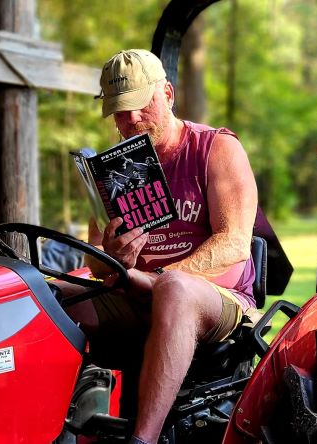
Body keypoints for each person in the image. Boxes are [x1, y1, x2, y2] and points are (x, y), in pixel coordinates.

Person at [65, 49, 257, 444]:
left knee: (173, 289)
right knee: (45, 293)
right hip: (134, 290)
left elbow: (235, 244)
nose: (131, 119)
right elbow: (96, 265)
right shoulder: (111, 171)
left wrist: (157, 278)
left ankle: (143, 440)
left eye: (140, 104)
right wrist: (113, 258)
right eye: (120, 111)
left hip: (219, 299)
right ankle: (50, 428)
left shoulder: (216, 148)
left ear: (167, 94)